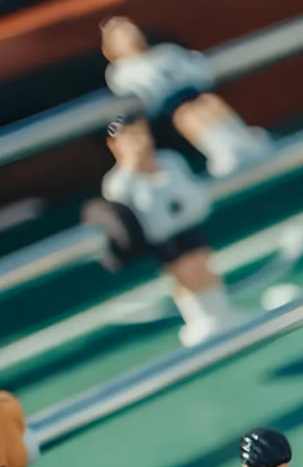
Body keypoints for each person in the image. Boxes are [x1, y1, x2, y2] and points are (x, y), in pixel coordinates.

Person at [101, 116, 242, 346]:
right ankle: (200, 319)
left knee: (202, 264)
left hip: (186, 226)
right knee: (183, 273)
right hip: (162, 238)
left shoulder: (170, 161)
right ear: (114, 145)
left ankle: (222, 313)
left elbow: (191, 191)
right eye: (131, 137)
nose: (139, 142)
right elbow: (123, 218)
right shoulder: (118, 183)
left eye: (141, 134)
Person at [100, 16, 273, 177]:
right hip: (168, 108)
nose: (130, 35)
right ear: (111, 47)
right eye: (122, 34)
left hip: (194, 93)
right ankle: (223, 152)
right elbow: (132, 95)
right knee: (188, 115)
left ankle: (244, 141)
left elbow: (195, 67)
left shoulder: (166, 52)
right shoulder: (120, 72)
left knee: (211, 103)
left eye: (131, 29)